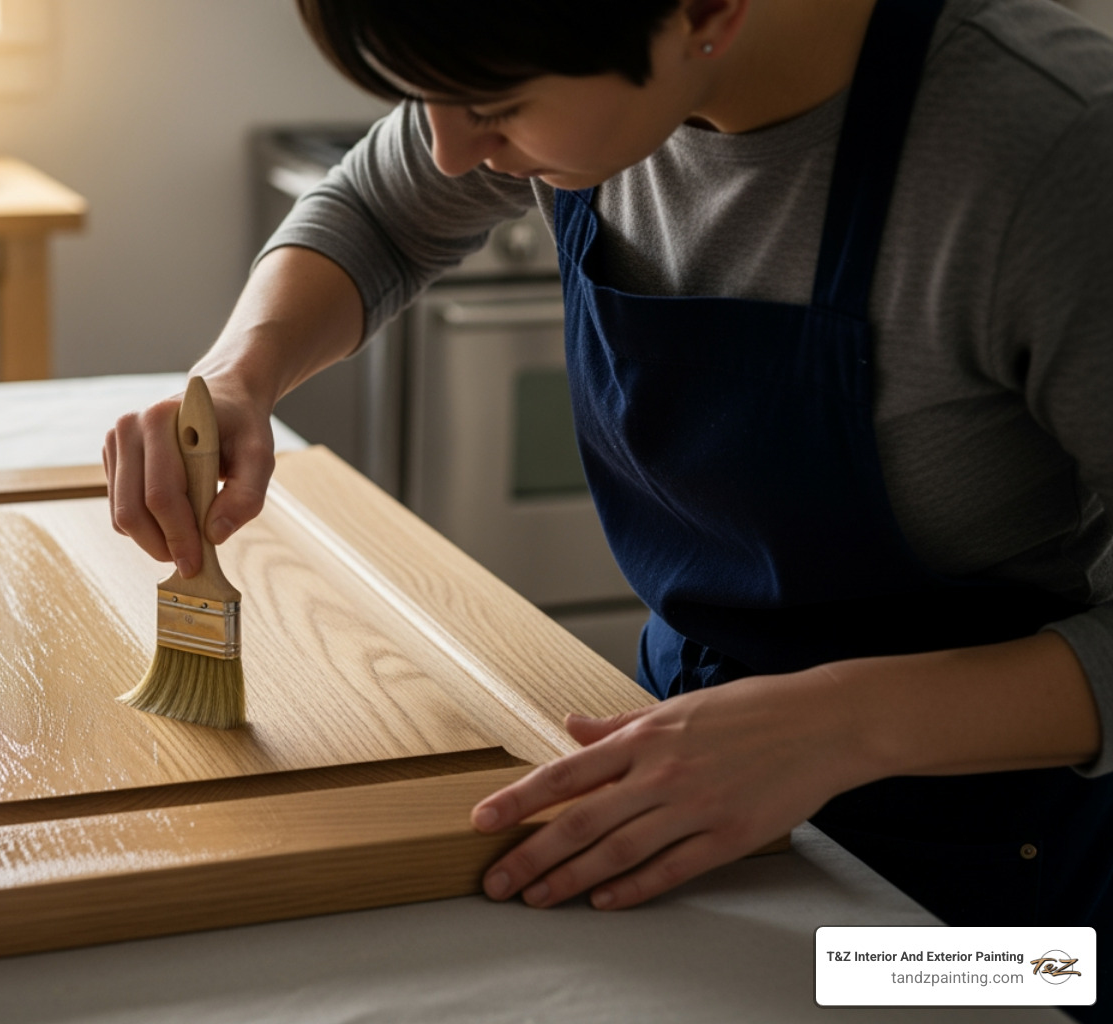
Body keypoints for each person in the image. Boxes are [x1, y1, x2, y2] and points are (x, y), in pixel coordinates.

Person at [104, 0, 1113, 986]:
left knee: (852, 997)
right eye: (427, 100)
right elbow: (377, 206)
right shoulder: (577, 75)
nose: (452, 150)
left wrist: (840, 723)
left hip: (1016, 891)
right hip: (688, 766)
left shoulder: (1058, 152)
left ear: (705, 10)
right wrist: (241, 370)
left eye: (494, 107)